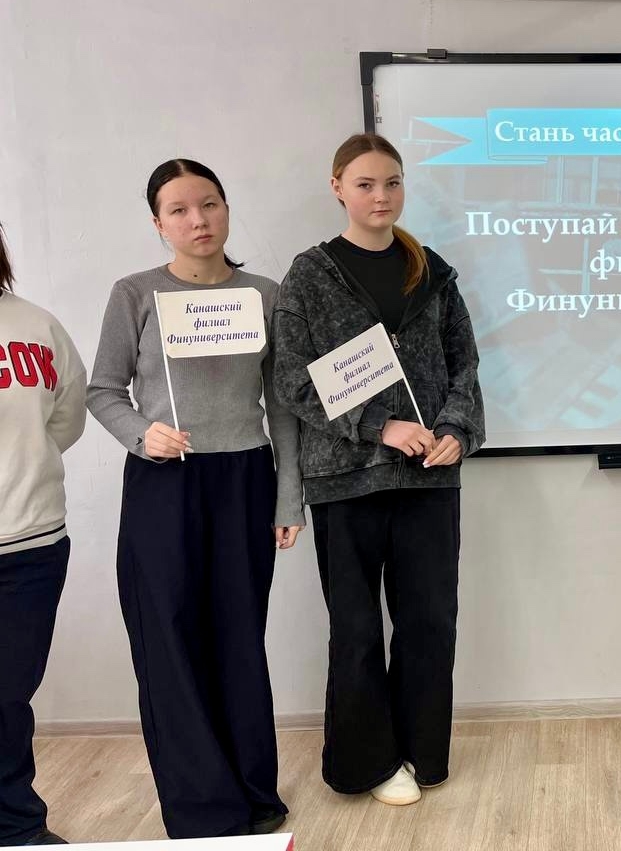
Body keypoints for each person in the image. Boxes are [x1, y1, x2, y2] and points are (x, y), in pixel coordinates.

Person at [86, 160, 303, 838]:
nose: (198, 220)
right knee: (170, 639)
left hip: (245, 479)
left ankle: (254, 792)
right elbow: (103, 390)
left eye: (209, 204)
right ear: (158, 223)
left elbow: (283, 406)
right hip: (164, 480)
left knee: (239, 635)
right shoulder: (135, 293)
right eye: (178, 210)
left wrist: (288, 498)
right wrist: (140, 433)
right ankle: (203, 807)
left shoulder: (264, 294)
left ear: (227, 208)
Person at [271, 133, 484, 807]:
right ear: (337, 187)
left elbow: (465, 365)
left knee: (429, 623)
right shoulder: (310, 274)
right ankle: (367, 764)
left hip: (428, 481)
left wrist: (456, 432)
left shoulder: (433, 271)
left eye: (392, 182)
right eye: (365, 184)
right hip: (345, 481)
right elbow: (292, 379)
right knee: (357, 630)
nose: (381, 196)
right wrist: (378, 425)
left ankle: (422, 751)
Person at [0, 225, 86, 847]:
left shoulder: (36, 326)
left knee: (7, 698)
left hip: (30, 545)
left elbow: (65, 419)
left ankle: (17, 828)